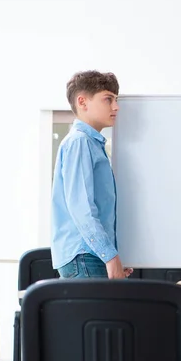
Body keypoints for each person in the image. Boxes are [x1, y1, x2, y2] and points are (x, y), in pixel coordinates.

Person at [51, 70, 133, 279]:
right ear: (82, 102)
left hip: (90, 257)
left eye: (115, 99)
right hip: (85, 257)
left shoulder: (91, 144)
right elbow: (82, 208)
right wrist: (110, 257)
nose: (116, 107)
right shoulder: (80, 142)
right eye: (108, 99)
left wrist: (110, 258)